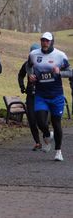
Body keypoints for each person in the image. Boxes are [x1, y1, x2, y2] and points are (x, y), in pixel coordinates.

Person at [28, 32, 70, 161]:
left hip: (56, 95)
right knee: (40, 121)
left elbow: (70, 72)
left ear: (52, 42)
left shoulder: (60, 55)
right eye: (43, 40)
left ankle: (58, 151)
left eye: (47, 41)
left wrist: (60, 72)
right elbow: (28, 66)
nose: (45, 43)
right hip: (41, 94)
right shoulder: (34, 54)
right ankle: (47, 135)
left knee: (56, 123)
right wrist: (30, 75)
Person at [18, 43, 54, 151]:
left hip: (42, 95)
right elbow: (20, 75)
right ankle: (37, 142)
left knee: (41, 121)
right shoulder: (26, 65)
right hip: (30, 95)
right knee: (32, 120)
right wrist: (22, 86)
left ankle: (46, 135)